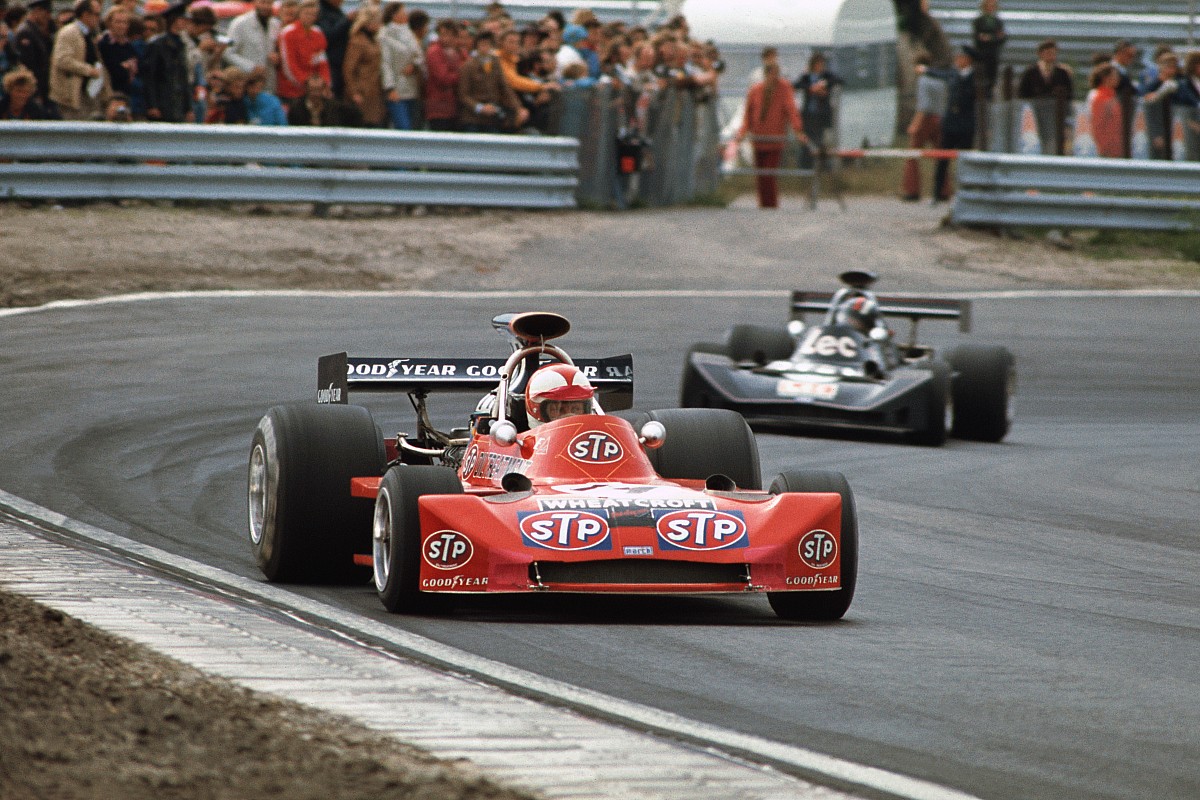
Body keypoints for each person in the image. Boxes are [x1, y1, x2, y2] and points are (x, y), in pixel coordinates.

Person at [735, 60, 806, 209]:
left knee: (769, 174)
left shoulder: (784, 88)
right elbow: (748, 114)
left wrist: (798, 130)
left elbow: (791, 110)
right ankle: (763, 205)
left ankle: (771, 205)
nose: (774, 77)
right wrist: (742, 133)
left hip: (775, 139)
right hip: (758, 139)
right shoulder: (755, 90)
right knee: (761, 175)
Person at [457, 29, 526, 133]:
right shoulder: (468, 66)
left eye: (488, 44)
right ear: (477, 46)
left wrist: (518, 108)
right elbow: (463, 94)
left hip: (492, 117)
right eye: (482, 44)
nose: (485, 48)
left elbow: (505, 87)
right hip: (472, 118)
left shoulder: (495, 63)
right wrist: (480, 107)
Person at [48, 0, 107, 120]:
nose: (98, 18)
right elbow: (62, 59)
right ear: (85, 14)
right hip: (70, 96)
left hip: (87, 94)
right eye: (96, 14)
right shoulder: (69, 32)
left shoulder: (90, 34)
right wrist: (88, 70)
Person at [934, 45, 977, 201]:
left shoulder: (975, 77)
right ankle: (937, 193)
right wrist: (925, 70)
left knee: (965, 160)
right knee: (942, 159)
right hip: (951, 123)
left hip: (965, 124)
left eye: (961, 58)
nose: (957, 60)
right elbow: (940, 74)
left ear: (968, 60)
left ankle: (964, 193)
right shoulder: (953, 74)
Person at [1016, 39, 1074, 155]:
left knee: (1053, 142)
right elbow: (1022, 93)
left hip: (1055, 116)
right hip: (1035, 114)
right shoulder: (1031, 72)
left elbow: (1069, 95)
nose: (1051, 56)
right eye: (1048, 53)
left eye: (1053, 53)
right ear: (1040, 54)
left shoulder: (1062, 73)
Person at [902, 51, 946, 201]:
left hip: (926, 118)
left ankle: (912, 190)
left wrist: (915, 124)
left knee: (913, 154)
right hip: (940, 118)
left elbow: (924, 105)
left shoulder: (923, 80)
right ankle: (943, 190)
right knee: (941, 155)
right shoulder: (940, 80)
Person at [142, 0, 191, 122]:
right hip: (162, 102)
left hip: (177, 104)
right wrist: (152, 105)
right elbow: (150, 77)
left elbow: (183, 78)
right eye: (182, 19)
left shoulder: (180, 44)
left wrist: (188, 107)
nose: (185, 22)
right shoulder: (157, 45)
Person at [379, 2, 424, 130]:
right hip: (396, 89)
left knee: (413, 126)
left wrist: (414, 65)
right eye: (403, 12)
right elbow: (385, 63)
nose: (406, 15)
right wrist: (390, 88)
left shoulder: (409, 33)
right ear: (394, 15)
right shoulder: (385, 34)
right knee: (403, 126)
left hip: (411, 88)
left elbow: (419, 55)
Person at [793, 51, 842, 170]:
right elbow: (796, 85)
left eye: (822, 63)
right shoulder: (806, 77)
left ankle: (823, 167)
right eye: (818, 63)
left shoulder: (826, 76)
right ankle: (805, 167)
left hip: (821, 116)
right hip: (809, 115)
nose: (820, 66)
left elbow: (839, 80)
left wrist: (824, 85)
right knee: (806, 141)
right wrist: (811, 88)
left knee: (820, 141)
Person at [276, 0, 330, 108]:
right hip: (291, 91)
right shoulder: (288, 33)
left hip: (314, 90)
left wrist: (325, 83)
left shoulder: (317, 32)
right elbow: (288, 66)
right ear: (299, 13)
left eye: (313, 14)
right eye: (307, 14)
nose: (310, 17)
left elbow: (322, 62)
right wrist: (306, 83)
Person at [225, 0, 281, 95]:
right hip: (245, 83)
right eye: (263, 2)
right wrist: (251, 67)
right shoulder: (240, 24)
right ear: (255, 3)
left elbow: (278, 49)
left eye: (269, 3)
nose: (266, 6)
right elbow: (228, 53)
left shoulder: (275, 24)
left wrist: (277, 56)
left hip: (269, 83)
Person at [341, 3, 384, 126]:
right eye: (377, 21)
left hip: (373, 91)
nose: (379, 24)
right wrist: (354, 92)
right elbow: (348, 68)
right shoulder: (357, 41)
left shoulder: (374, 40)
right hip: (361, 91)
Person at [524, 364, 597, 429]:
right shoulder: (520, 440)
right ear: (536, 410)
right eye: (559, 410)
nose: (569, 418)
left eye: (576, 409)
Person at [13, 0, 55, 108]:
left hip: (42, 88)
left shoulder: (36, 31)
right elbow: (28, 66)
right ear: (37, 11)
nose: (48, 17)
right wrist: (35, 92)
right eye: (46, 13)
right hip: (33, 90)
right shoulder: (25, 32)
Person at [424, 17, 463, 131]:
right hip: (438, 109)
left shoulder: (459, 51)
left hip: (455, 108)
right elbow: (443, 78)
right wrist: (461, 74)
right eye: (442, 34)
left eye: (449, 35)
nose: (446, 38)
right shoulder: (434, 51)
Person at [1142, 51, 1182, 160]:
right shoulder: (1152, 86)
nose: (1172, 70)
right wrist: (1156, 134)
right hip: (1159, 132)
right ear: (1161, 67)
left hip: (1174, 131)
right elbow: (1149, 111)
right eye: (1169, 67)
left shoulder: (1178, 85)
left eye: (1174, 67)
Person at [97, 6, 137, 107]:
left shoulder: (128, 45)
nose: (121, 26)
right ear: (109, 23)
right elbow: (115, 70)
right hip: (109, 95)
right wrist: (126, 67)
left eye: (124, 22)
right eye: (118, 22)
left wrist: (126, 66)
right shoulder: (104, 43)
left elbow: (137, 67)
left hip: (127, 95)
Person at [286, 72, 359, 125]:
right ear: (306, 89)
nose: (316, 94)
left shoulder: (334, 107)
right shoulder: (296, 109)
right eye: (312, 90)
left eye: (318, 90)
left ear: (324, 89)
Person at [971, 0, 1005, 101]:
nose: (990, 8)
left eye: (992, 6)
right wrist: (994, 37)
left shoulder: (998, 22)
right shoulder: (978, 21)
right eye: (988, 5)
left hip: (993, 55)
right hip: (981, 55)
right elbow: (978, 38)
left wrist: (989, 38)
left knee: (992, 79)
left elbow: (1001, 38)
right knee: (980, 79)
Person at [1110, 39, 1138, 158]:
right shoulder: (1111, 71)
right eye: (1129, 55)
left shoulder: (1124, 71)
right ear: (1120, 53)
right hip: (1115, 118)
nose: (1131, 59)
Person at [1088, 63, 1123, 158]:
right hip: (1107, 148)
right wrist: (1104, 147)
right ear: (1106, 78)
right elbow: (1097, 125)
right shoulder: (1100, 97)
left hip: (1117, 146)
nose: (1117, 78)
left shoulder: (1112, 96)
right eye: (1115, 75)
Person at [315, 0, 348, 98]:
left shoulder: (338, 11)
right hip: (331, 63)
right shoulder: (321, 12)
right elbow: (327, 35)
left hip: (342, 62)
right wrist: (346, 21)